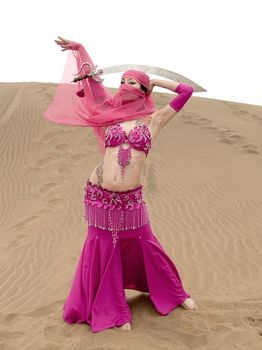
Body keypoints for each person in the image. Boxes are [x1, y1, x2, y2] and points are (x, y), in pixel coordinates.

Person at [45, 36, 199, 333]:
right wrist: (79, 49)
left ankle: (174, 294)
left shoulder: (154, 120)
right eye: (123, 81)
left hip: (130, 198)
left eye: (133, 82)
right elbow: (90, 84)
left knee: (144, 241)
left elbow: (186, 91)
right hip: (98, 194)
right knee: (104, 246)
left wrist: (154, 80)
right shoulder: (108, 116)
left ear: (144, 90)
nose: (125, 85)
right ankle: (111, 308)